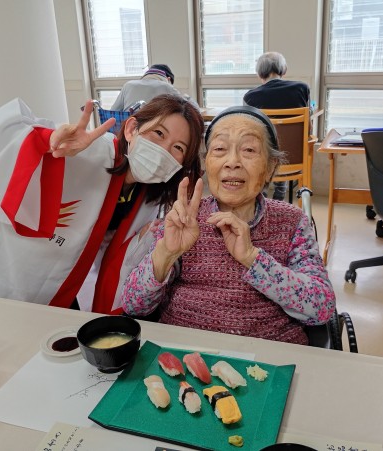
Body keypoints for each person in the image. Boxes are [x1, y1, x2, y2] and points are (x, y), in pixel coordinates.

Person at [0, 94, 204, 313]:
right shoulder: (85, 149)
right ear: (132, 128)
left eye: (178, 147)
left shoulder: (150, 199)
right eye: (158, 134)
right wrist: (45, 143)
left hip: (51, 283)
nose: (163, 150)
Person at [121, 106, 335, 345]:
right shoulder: (184, 219)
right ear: (207, 163)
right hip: (184, 352)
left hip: (270, 357)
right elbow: (134, 306)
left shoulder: (291, 221)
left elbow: (322, 308)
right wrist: (165, 254)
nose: (232, 162)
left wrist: (253, 258)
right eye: (220, 149)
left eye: (249, 150)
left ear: (270, 167)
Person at [243, 51, 310, 201]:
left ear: (259, 74)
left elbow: (249, 131)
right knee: (283, 144)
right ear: (284, 70)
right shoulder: (301, 88)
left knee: (263, 143)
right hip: (293, 158)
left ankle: (262, 195)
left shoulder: (250, 96)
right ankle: (280, 194)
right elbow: (308, 129)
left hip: (264, 159)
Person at [111, 64, 198, 111]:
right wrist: (186, 96)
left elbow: (113, 112)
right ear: (168, 79)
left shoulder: (128, 85)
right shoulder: (167, 87)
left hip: (128, 134)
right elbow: (195, 110)